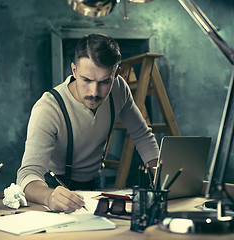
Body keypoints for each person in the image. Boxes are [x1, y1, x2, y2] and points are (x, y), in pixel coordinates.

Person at [17, 33, 159, 212]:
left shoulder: (119, 89)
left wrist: (161, 179)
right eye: (87, 80)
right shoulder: (48, 108)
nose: (95, 92)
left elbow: (142, 135)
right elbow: (27, 174)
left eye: (105, 81)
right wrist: (48, 196)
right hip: (56, 187)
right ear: (74, 71)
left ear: (116, 74)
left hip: (96, 184)